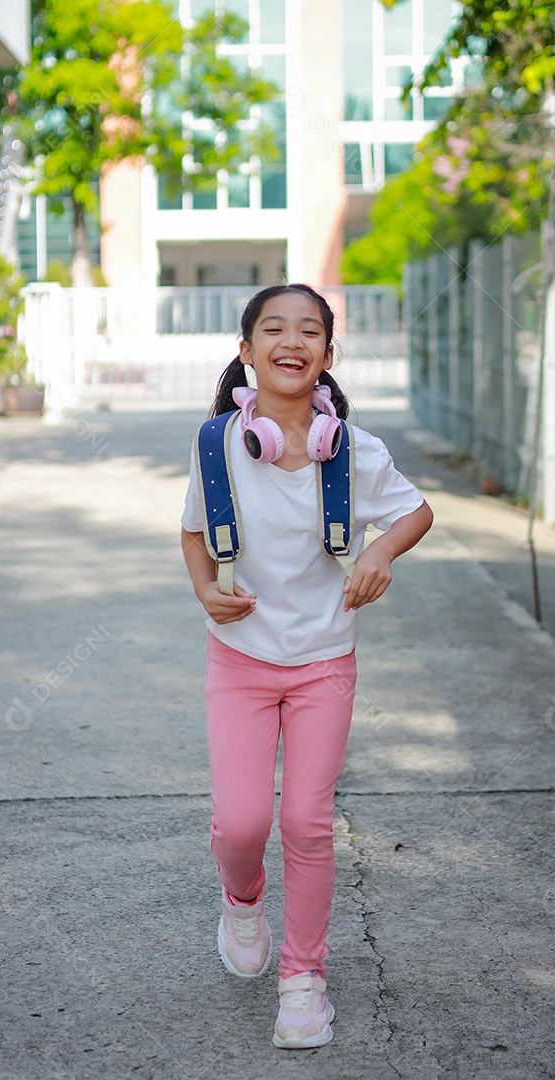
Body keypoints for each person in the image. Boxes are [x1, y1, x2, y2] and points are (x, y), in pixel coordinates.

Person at [180, 283, 433, 1050]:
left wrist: (381, 551)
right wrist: (204, 591)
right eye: (274, 329)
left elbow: (416, 510)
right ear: (247, 350)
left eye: (311, 330)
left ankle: (303, 980)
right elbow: (193, 531)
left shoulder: (356, 452)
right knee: (243, 822)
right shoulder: (219, 444)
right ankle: (243, 898)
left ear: (327, 354)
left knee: (307, 823)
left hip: (325, 660)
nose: (293, 341)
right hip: (242, 660)